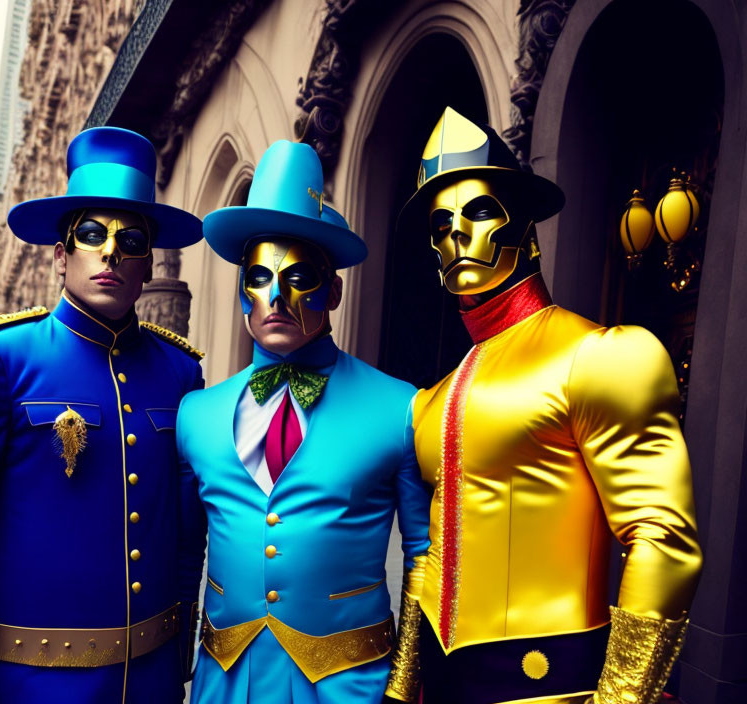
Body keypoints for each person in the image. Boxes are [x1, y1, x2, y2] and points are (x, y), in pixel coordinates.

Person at [391, 106, 703, 703]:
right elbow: (431, 553)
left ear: (525, 229)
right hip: (441, 680)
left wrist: (620, 697)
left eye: (479, 212)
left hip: (549, 685)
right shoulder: (430, 403)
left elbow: (662, 539)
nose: (455, 231)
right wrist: (403, 686)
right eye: (439, 224)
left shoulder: (603, 357)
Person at [0, 127, 204, 703]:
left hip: (153, 682)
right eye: (90, 235)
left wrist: (181, 644)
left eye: (131, 239)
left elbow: (187, 531)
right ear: (61, 256)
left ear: (148, 265)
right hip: (31, 684)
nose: (111, 251)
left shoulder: (179, 372)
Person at [177, 140, 431, 704]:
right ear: (242, 290)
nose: (276, 296)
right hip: (225, 682)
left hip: (351, 685)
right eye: (259, 276)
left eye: (300, 276)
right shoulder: (196, 414)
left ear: (334, 290)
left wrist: (407, 680)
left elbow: (424, 554)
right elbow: (182, 550)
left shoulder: (400, 407)